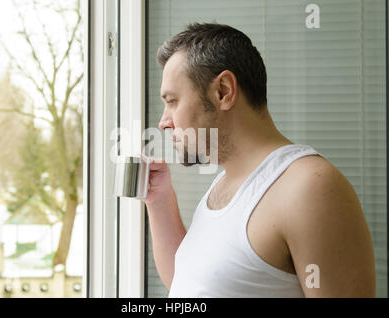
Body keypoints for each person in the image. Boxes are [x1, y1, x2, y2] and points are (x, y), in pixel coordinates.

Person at [142, 22, 376, 297]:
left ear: (223, 91)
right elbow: (193, 285)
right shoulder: (225, 182)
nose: (163, 122)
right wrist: (159, 201)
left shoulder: (310, 189)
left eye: (172, 101)